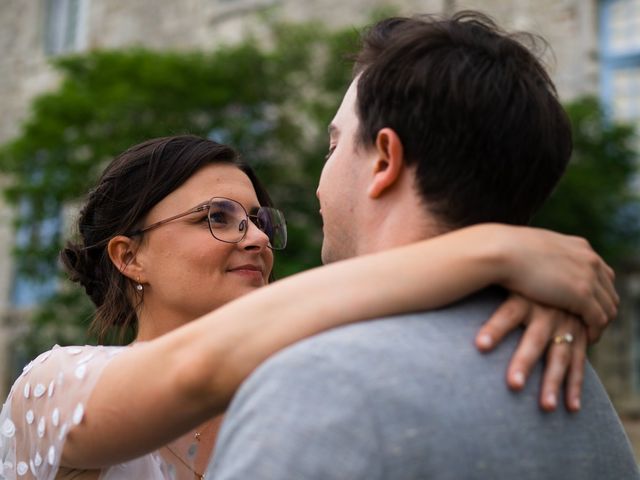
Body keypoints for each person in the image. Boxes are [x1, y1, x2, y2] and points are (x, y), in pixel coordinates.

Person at [0, 133, 617, 480]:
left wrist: (532, 296)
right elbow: (194, 370)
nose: (258, 238)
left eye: (258, 219)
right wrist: (495, 251)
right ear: (129, 257)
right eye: (217, 217)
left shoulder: (313, 390)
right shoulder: (48, 389)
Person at [207, 12, 639, 479]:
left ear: (386, 160)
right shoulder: (584, 398)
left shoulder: (323, 385)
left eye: (333, 147)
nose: (318, 185)